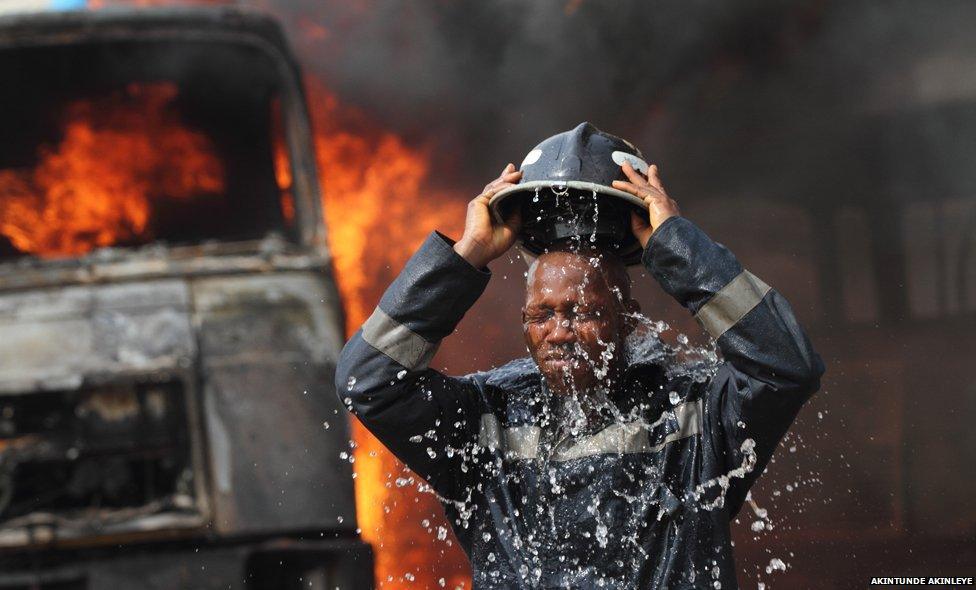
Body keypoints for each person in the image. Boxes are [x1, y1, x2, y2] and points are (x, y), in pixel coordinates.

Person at [335, 126, 824, 589]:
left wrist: (676, 243)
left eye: (583, 312)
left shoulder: (693, 413)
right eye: (541, 316)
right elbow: (367, 382)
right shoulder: (486, 419)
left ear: (628, 319)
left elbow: (785, 366)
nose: (560, 333)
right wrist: (466, 256)